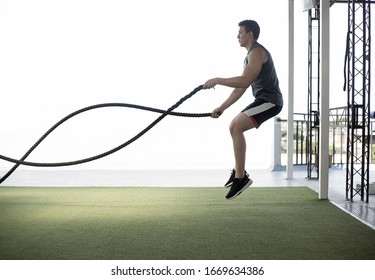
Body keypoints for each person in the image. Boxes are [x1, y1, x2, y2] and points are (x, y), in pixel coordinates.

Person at [203, 20, 283, 200]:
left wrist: (217, 79)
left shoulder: (258, 52)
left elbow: (244, 81)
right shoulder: (249, 56)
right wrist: (222, 108)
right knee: (234, 127)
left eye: (240, 32)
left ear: (250, 34)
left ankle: (241, 178)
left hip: (271, 101)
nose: (237, 36)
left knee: (236, 126)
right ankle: (240, 174)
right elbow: (241, 87)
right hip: (262, 100)